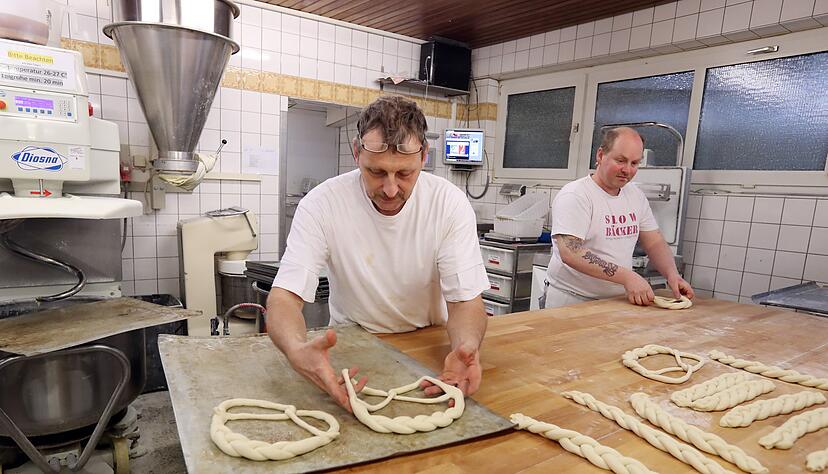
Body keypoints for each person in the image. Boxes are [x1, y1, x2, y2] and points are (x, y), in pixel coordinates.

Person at [266, 95, 490, 411]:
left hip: (428, 344)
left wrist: (466, 347)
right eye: (376, 171)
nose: (390, 189)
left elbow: (465, 301)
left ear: (424, 156)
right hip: (350, 347)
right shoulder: (322, 204)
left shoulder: (448, 204)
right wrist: (295, 348)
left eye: (405, 174)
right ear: (356, 152)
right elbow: (285, 297)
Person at [540, 126, 694, 309]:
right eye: (621, 160)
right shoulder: (576, 195)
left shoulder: (635, 196)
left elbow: (654, 242)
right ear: (600, 155)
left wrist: (672, 275)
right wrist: (627, 277)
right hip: (572, 300)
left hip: (616, 301)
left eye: (634, 163)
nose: (627, 170)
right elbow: (571, 252)